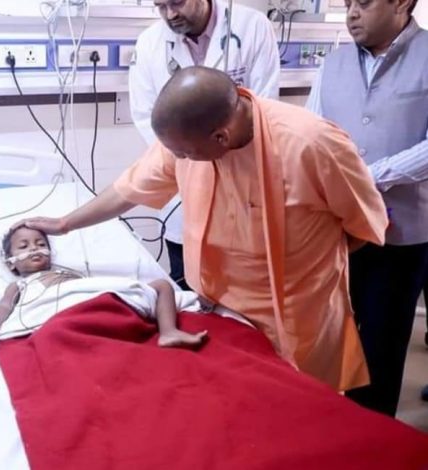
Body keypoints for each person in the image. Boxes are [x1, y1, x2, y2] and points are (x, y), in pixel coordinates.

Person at [23, 66, 389, 392]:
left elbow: (363, 224)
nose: (178, 160)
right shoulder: (186, 135)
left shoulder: (311, 144)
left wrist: (309, 269)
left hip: (295, 315)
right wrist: (65, 224)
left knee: (303, 406)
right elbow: (129, 189)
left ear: (221, 138)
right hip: (221, 310)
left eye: (185, 154)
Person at [305, 0, 428, 416]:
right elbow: (311, 133)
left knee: (382, 341)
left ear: (401, 4)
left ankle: (373, 432)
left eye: (364, 2)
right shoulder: (333, 63)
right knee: (333, 336)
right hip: (337, 230)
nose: (352, 13)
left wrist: (371, 175)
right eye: (346, 4)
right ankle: (337, 423)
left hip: (403, 231)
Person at [130, 0, 281, 290]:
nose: (170, 14)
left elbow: (262, 106)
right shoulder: (149, 43)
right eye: (161, 6)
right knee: (189, 289)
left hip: (242, 183)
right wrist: (190, 154)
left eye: (177, 2)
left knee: (240, 293)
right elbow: (146, 116)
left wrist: (217, 152)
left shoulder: (252, 27)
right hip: (183, 189)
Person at [0, 225, 207, 351]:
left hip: (98, 299)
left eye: (41, 244)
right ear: (11, 262)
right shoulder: (19, 284)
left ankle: (168, 331)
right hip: (67, 313)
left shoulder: (70, 274)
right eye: (24, 246)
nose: (34, 248)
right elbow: (3, 306)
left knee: (162, 285)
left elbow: (95, 288)